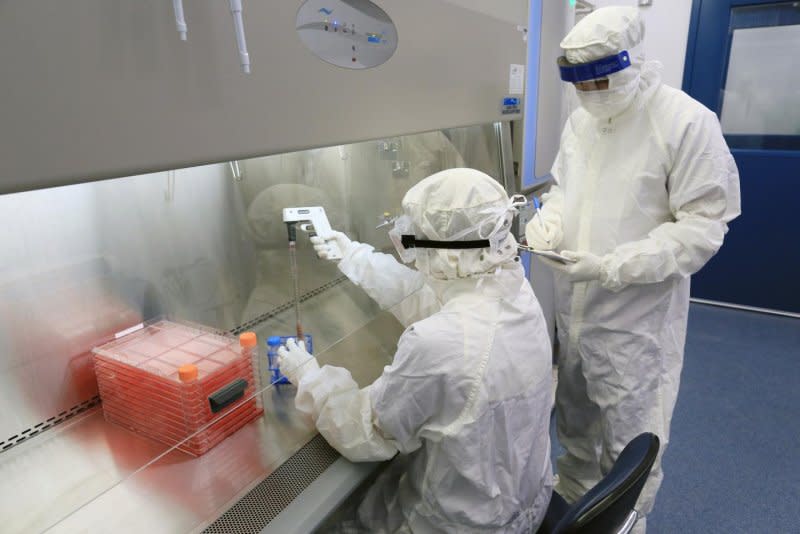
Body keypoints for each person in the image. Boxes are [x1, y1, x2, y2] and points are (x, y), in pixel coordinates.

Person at [525, 7, 741, 533]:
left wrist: (615, 267)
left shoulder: (685, 121)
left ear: (633, 62)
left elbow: (704, 226)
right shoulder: (582, 121)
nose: (592, 91)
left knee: (630, 442)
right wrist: (548, 222)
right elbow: (563, 188)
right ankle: (575, 507)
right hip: (575, 310)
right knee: (575, 425)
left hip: (635, 321)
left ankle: (625, 521)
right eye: (580, 82)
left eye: (602, 78)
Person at [279, 168, 554, 533]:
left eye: (415, 239)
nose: (409, 250)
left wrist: (311, 378)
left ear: (449, 254)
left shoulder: (437, 344)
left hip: (459, 526)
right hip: (525, 501)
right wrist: (352, 255)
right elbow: (430, 299)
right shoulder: (516, 293)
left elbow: (362, 435)